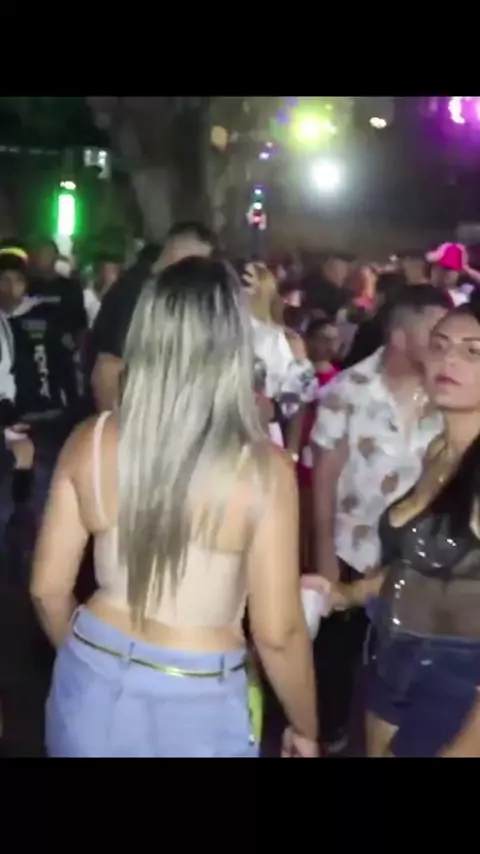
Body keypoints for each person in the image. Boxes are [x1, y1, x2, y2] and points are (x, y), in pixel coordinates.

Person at [30, 257, 318, 758]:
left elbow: (47, 591)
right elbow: (278, 633)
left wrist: (87, 663)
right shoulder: (263, 469)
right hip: (198, 694)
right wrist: (306, 726)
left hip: (91, 674)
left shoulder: (91, 440)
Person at [305, 299, 480, 756]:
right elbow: (415, 568)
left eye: (472, 351)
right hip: (392, 657)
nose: (448, 360)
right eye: (439, 346)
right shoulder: (439, 452)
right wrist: (344, 594)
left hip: (457, 677)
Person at [90, 223, 216, 411]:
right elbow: (107, 370)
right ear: (176, 255)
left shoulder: (162, 292)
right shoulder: (134, 295)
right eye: (195, 266)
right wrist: (117, 424)